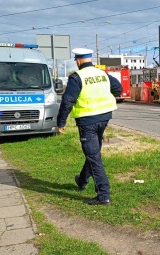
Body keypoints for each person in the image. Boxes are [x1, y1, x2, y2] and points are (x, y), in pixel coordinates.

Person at [56, 48, 122, 206]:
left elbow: (67, 101)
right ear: (90, 59)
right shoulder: (102, 74)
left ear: (78, 61)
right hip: (104, 118)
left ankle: (103, 194)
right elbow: (118, 89)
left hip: (87, 122)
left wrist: (61, 122)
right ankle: (82, 180)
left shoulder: (76, 77)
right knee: (93, 152)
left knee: (94, 156)